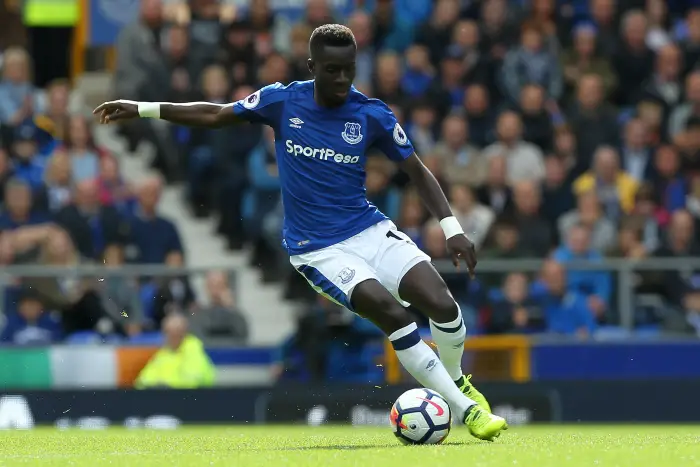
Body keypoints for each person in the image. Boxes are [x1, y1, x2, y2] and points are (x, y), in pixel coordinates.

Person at [93, 24, 507, 441]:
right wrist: (143, 107)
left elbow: (417, 170)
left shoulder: (371, 113)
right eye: (332, 70)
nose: (342, 79)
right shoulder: (282, 100)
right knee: (394, 316)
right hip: (318, 250)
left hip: (368, 229)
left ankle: (456, 382)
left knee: (443, 305)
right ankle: (467, 411)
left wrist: (451, 227)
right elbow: (216, 114)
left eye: (349, 69)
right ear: (312, 67)